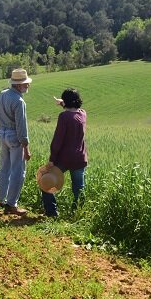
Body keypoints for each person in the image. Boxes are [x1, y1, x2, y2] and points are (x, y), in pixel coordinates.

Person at [42, 88, 87, 218]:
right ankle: (77, 214)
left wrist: (52, 159)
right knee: (79, 188)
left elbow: (58, 140)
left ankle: (52, 213)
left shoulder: (63, 117)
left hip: (64, 159)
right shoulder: (83, 114)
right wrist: (63, 103)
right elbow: (73, 112)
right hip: (80, 158)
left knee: (46, 181)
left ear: (66, 102)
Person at [0, 68, 32, 216]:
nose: (27, 86)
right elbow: (21, 127)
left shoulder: (2, 94)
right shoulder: (19, 101)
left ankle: (1, 199)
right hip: (14, 137)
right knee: (18, 170)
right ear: (18, 85)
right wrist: (26, 147)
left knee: (4, 168)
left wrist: (0, 129)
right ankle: (12, 204)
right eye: (25, 84)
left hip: (2, 133)